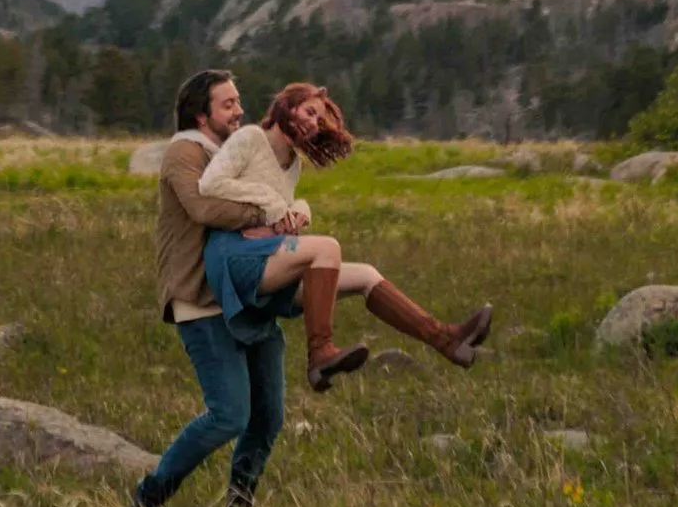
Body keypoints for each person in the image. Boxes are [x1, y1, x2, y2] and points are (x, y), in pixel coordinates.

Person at [199, 81, 493, 392]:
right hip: (234, 257)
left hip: (269, 258)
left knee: (366, 275)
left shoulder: (293, 164)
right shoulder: (250, 138)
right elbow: (209, 185)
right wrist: (269, 202)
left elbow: (280, 208)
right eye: (309, 112)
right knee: (327, 248)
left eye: (318, 119)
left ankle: (447, 340)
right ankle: (320, 354)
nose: (314, 122)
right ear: (289, 105)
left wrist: (299, 210)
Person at [130, 69, 291, 507]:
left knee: (268, 417)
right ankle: (145, 504)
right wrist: (267, 211)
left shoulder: (236, 154)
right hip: (200, 300)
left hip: (246, 295)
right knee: (229, 415)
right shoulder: (184, 152)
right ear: (202, 115)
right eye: (228, 104)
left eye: (239, 101)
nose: (240, 110)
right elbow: (202, 207)